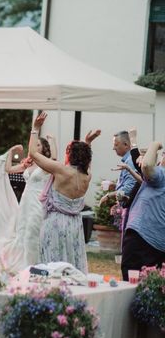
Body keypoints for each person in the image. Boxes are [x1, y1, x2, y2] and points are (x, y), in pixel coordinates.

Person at [28, 112, 100, 274]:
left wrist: (35, 128)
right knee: (72, 260)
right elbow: (87, 163)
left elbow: (33, 153)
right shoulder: (87, 176)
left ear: (70, 155)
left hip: (55, 222)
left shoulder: (61, 170)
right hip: (74, 224)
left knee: (52, 262)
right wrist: (87, 143)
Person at [0, 135, 55, 271]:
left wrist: (53, 142)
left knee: (33, 231)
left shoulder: (46, 164)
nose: (35, 147)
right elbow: (8, 169)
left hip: (37, 202)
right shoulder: (28, 164)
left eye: (38, 145)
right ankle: (23, 263)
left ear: (44, 148)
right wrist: (11, 151)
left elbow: (55, 159)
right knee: (22, 230)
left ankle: (34, 264)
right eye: (34, 145)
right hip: (25, 201)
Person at [121, 141, 165, 280]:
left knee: (131, 284)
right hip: (159, 244)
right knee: (152, 289)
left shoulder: (162, 176)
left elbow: (146, 166)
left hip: (141, 239)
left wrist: (155, 144)